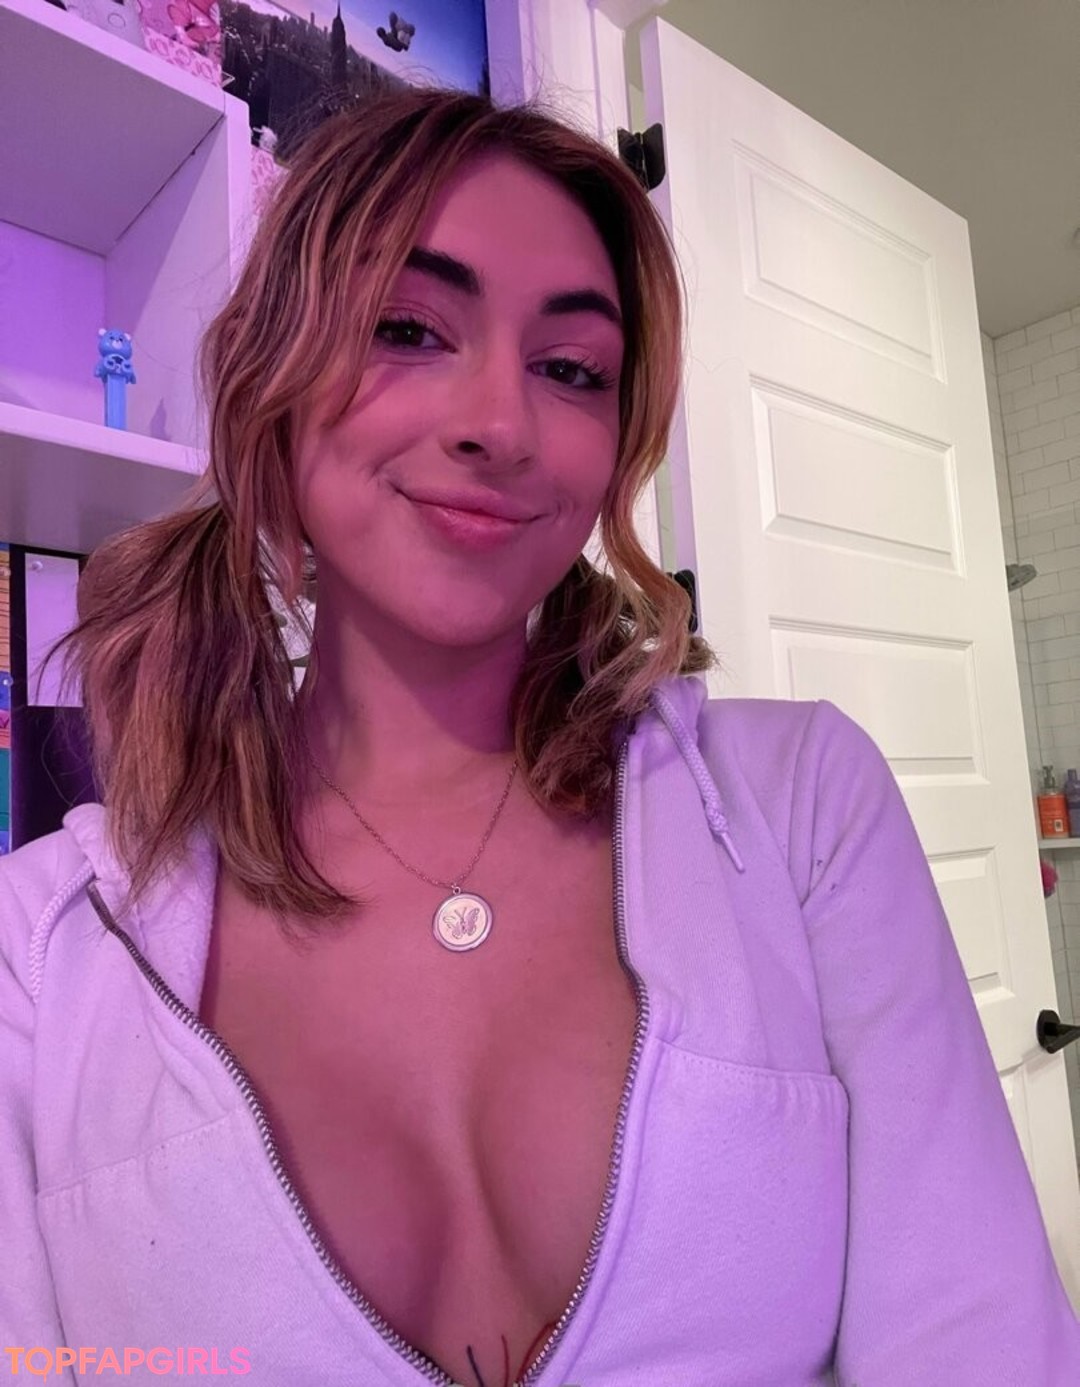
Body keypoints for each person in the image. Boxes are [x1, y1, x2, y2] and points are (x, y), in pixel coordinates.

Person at [1, 85, 1078, 1387]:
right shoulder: (42, 954)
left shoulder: (795, 806)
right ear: (271, 384)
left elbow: (980, 1345)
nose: (501, 427)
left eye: (571, 369)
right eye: (408, 328)